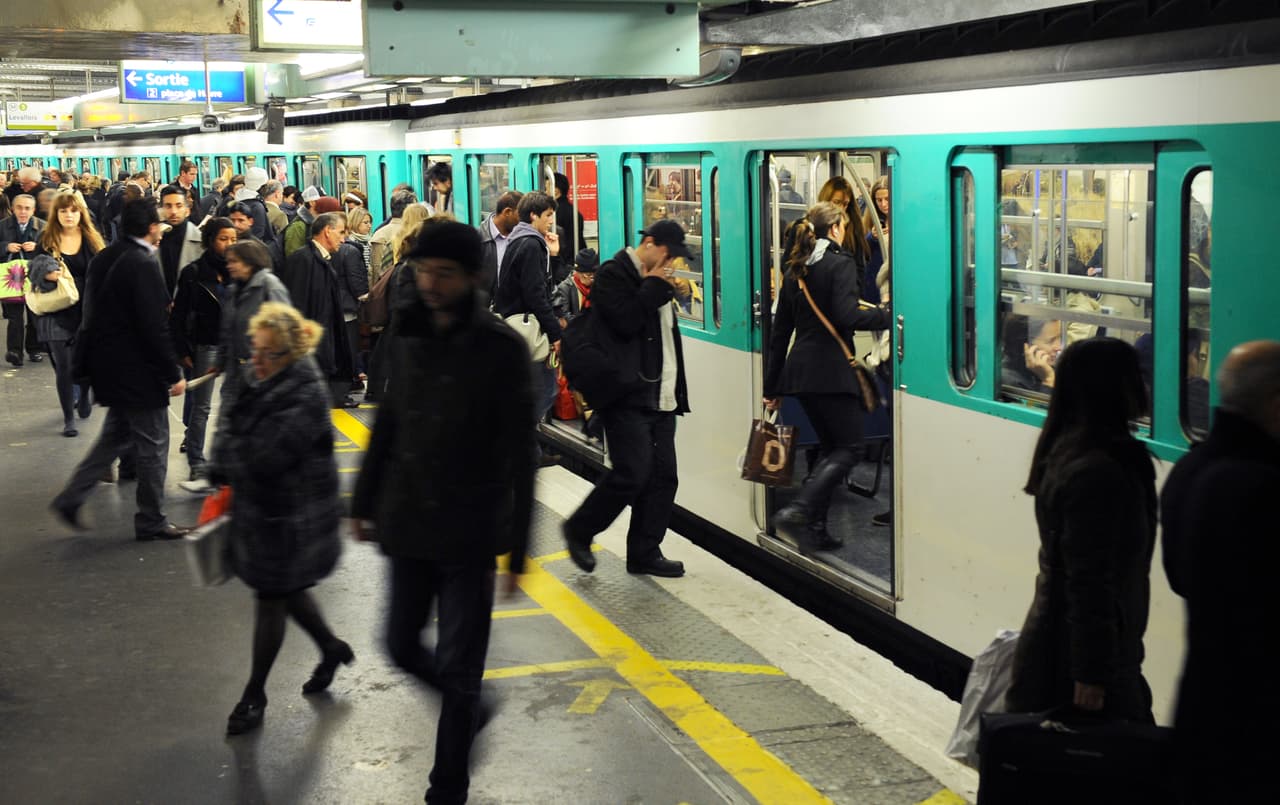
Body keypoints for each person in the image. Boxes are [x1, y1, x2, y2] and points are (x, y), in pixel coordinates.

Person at [351, 220, 535, 805]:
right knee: (400, 645)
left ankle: (446, 788)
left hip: (470, 528)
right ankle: (473, 710)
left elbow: (520, 456)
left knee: (459, 668)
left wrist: (518, 552)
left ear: (472, 278)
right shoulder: (404, 332)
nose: (429, 282)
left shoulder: (501, 348)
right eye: (423, 270)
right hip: (408, 519)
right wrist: (362, 500)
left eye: (443, 273)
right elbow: (390, 422)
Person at [209, 302, 350, 736]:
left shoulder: (305, 391)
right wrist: (231, 452)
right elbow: (230, 426)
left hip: (294, 517)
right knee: (285, 591)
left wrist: (228, 456)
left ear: (288, 354)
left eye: (266, 352)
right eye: (254, 349)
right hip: (266, 511)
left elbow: (266, 456)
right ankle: (331, 648)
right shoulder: (261, 375)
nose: (256, 359)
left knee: (272, 597)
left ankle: (254, 693)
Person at [1005, 337, 1156, 723]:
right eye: (1135, 376)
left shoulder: (1067, 450)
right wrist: (1092, 672)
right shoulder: (1099, 469)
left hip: (1066, 643)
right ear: (1115, 387)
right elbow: (1089, 579)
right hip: (1082, 659)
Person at [1160, 341, 1280, 803]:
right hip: (1260, 724)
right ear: (1276, 405)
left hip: (1202, 706)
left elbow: (1179, 578)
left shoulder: (1191, 469)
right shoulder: (1263, 488)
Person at [50, 199, 189, 542]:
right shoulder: (142, 263)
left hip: (108, 366)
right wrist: (171, 373)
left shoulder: (107, 257)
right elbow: (152, 326)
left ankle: (71, 498)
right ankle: (152, 520)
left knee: (114, 438)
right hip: (138, 372)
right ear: (152, 227)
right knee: (155, 446)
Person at [561, 220, 693, 578]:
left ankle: (644, 552)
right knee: (632, 473)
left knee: (664, 478)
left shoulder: (658, 282)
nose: (672, 265)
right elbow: (625, 321)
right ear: (649, 244)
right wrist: (655, 283)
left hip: (662, 396)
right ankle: (580, 529)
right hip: (626, 396)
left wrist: (674, 290)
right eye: (669, 256)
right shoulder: (612, 274)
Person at [763, 203, 892, 549]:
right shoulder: (841, 263)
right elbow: (847, 316)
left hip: (800, 374)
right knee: (850, 448)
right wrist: (887, 316)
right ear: (834, 227)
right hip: (832, 372)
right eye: (844, 224)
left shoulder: (796, 269)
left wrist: (771, 387)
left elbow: (779, 335)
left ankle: (815, 527)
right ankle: (801, 509)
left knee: (830, 447)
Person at [30, 192, 106, 436]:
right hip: (56, 308)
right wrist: (45, 274)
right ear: (56, 214)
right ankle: (68, 418)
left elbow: (105, 272)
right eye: (63, 211)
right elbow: (33, 268)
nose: (68, 215)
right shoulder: (47, 238)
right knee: (64, 366)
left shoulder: (92, 239)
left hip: (87, 309)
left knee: (86, 361)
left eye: (73, 210)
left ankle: (84, 394)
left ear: (80, 212)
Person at [171, 217, 237, 491]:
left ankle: (230, 462)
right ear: (210, 240)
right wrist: (182, 349)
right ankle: (197, 461)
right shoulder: (194, 273)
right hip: (206, 345)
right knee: (202, 407)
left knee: (233, 405)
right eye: (224, 239)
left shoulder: (240, 270)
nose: (230, 244)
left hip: (235, 348)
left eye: (234, 239)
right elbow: (178, 315)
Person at [493, 191, 563, 428]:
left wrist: (552, 256)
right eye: (548, 215)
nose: (551, 221)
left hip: (515, 325)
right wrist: (555, 334)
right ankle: (519, 444)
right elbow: (536, 294)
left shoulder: (518, 238)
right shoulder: (532, 244)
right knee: (545, 390)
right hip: (528, 330)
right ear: (534, 215)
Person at [278, 205, 355, 407]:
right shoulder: (303, 260)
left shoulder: (322, 260)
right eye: (341, 232)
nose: (343, 239)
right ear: (327, 231)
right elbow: (296, 307)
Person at [217, 240, 292, 408]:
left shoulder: (270, 287)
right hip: (235, 374)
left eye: (234, 261)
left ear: (250, 262)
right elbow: (228, 329)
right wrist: (220, 361)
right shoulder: (234, 290)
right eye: (228, 261)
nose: (229, 266)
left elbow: (285, 333)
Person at [0, 193, 46, 366]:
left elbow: (52, 250)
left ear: (33, 210)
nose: (23, 212)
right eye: (19, 207)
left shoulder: (43, 227)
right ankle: (14, 351)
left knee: (35, 314)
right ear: (12, 208)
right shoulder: (3, 226)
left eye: (27, 208)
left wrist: (38, 247)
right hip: (10, 279)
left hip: (34, 276)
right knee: (14, 316)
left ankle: (34, 348)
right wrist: (5, 247)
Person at [157, 185, 205, 298]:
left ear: (187, 210)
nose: (173, 211)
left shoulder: (201, 242)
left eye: (179, 206)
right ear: (161, 209)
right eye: (168, 206)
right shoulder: (153, 241)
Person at [476, 190, 522, 302]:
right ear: (507, 212)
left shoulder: (521, 238)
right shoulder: (478, 239)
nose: (523, 221)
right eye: (520, 215)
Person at [1001, 315, 1063, 394]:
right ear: (1025, 347)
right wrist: (1048, 380)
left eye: (1059, 338)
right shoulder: (1009, 381)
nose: (1059, 347)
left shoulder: (1050, 364)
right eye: (1050, 341)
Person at [552, 247, 598, 323]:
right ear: (577, 272)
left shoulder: (597, 285)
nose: (591, 278)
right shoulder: (565, 288)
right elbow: (564, 316)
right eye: (588, 274)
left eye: (594, 274)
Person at [550, 172, 586, 259]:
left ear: (555, 191)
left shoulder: (553, 213)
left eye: (546, 188)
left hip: (563, 260)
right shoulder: (574, 211)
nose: (545, 192)